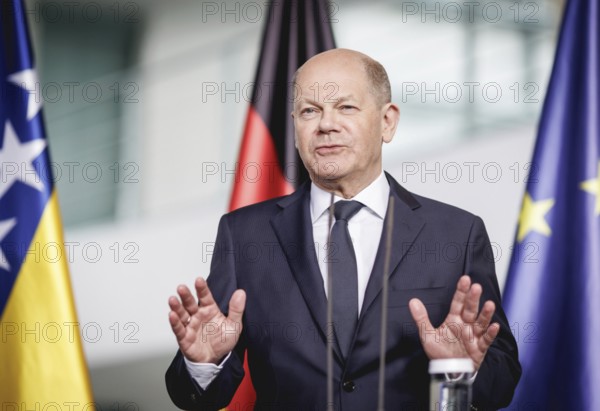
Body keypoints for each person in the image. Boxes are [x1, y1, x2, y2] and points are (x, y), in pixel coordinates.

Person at [165, 48, 521, 410]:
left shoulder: (456, 234)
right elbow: (196, 397)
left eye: (346, 107)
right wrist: (204, 363)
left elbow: (502, 381)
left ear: (388, 121)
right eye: (309, 111)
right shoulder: (244, 235)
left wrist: (462, 368)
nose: (326, 125)